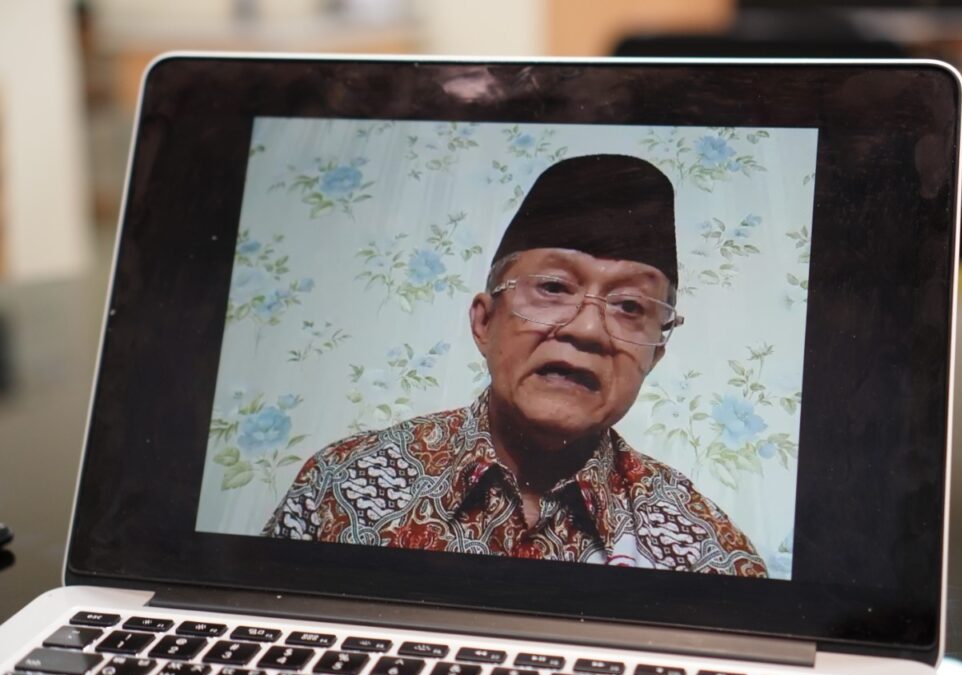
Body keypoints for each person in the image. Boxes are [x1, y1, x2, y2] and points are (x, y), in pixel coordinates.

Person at [264, 154, 767, 577]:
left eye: (629, 306)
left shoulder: (709, 555)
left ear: (654, 356)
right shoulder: (342, 484)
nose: (587, 330)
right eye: (553, 288)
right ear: (485, 322)